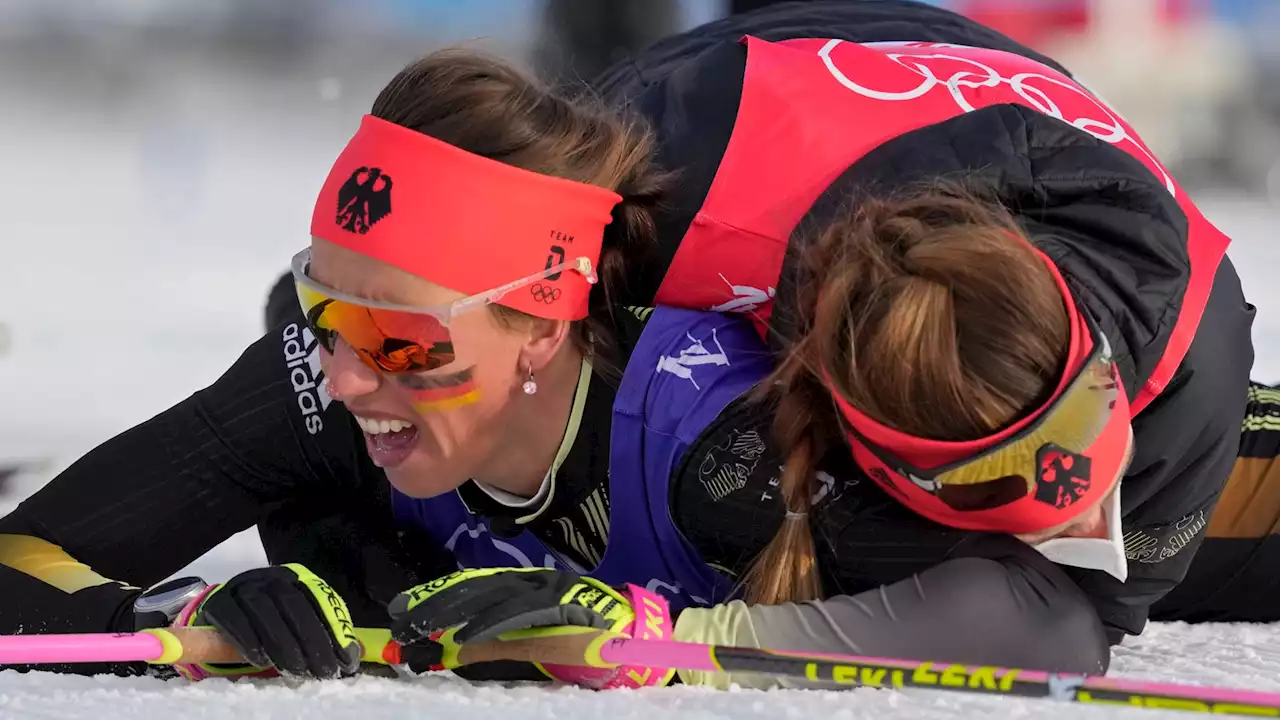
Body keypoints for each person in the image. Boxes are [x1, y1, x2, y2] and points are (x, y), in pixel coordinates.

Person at [0, 0, 1253, 690]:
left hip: (931, 157)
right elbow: (30, 572)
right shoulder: (631, 215)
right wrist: (203, 607)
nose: (347, 373)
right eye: (342, 327)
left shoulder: (1174, 373)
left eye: (401, 345)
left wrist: (689, 646)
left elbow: (1059, 615)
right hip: (769, 103)